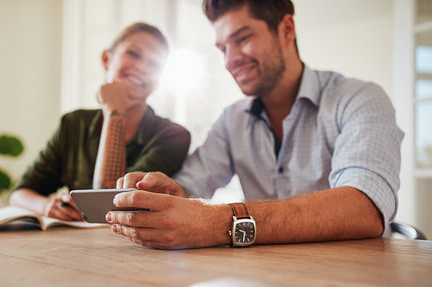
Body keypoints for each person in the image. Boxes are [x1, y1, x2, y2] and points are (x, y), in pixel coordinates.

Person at [107, 0, 404, 249]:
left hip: (354, 283)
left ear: (286, 29)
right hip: (265, 285)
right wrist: (173, 194)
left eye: (243, 38)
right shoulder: (231, 121)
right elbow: (190, 186)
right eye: (223, 48)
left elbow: (365, 208)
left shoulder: (359, 99)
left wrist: (220, 221)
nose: (231, 60)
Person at [9, 22, 190, 221]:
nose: (142, 68)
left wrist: (115, 111)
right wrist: (46, 206)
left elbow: (112, 203)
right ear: (106, 59)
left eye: (155, 65)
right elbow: (20, 194)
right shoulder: (72, 123)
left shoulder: (174, 135)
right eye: (133, 54)